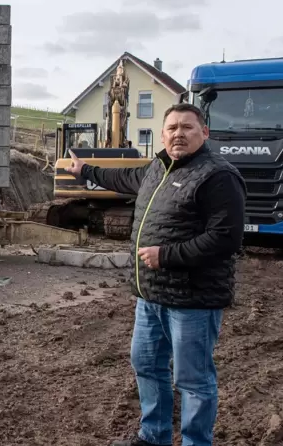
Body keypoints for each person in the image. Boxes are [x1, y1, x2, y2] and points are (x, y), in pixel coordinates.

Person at [66, 103, 246, 446]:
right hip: (151, 296)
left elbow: (226, 238)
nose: (178, 133)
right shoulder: (157, 168)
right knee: (147, 366)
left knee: (193, 380)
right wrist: (85, 169)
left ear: (204, 133)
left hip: (193, 298)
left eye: (187, 128)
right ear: (163, 135)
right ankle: (154, 436)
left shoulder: (218, 175)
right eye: (172, 128)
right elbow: (120, 178)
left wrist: (166, 256)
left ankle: (196, 441)